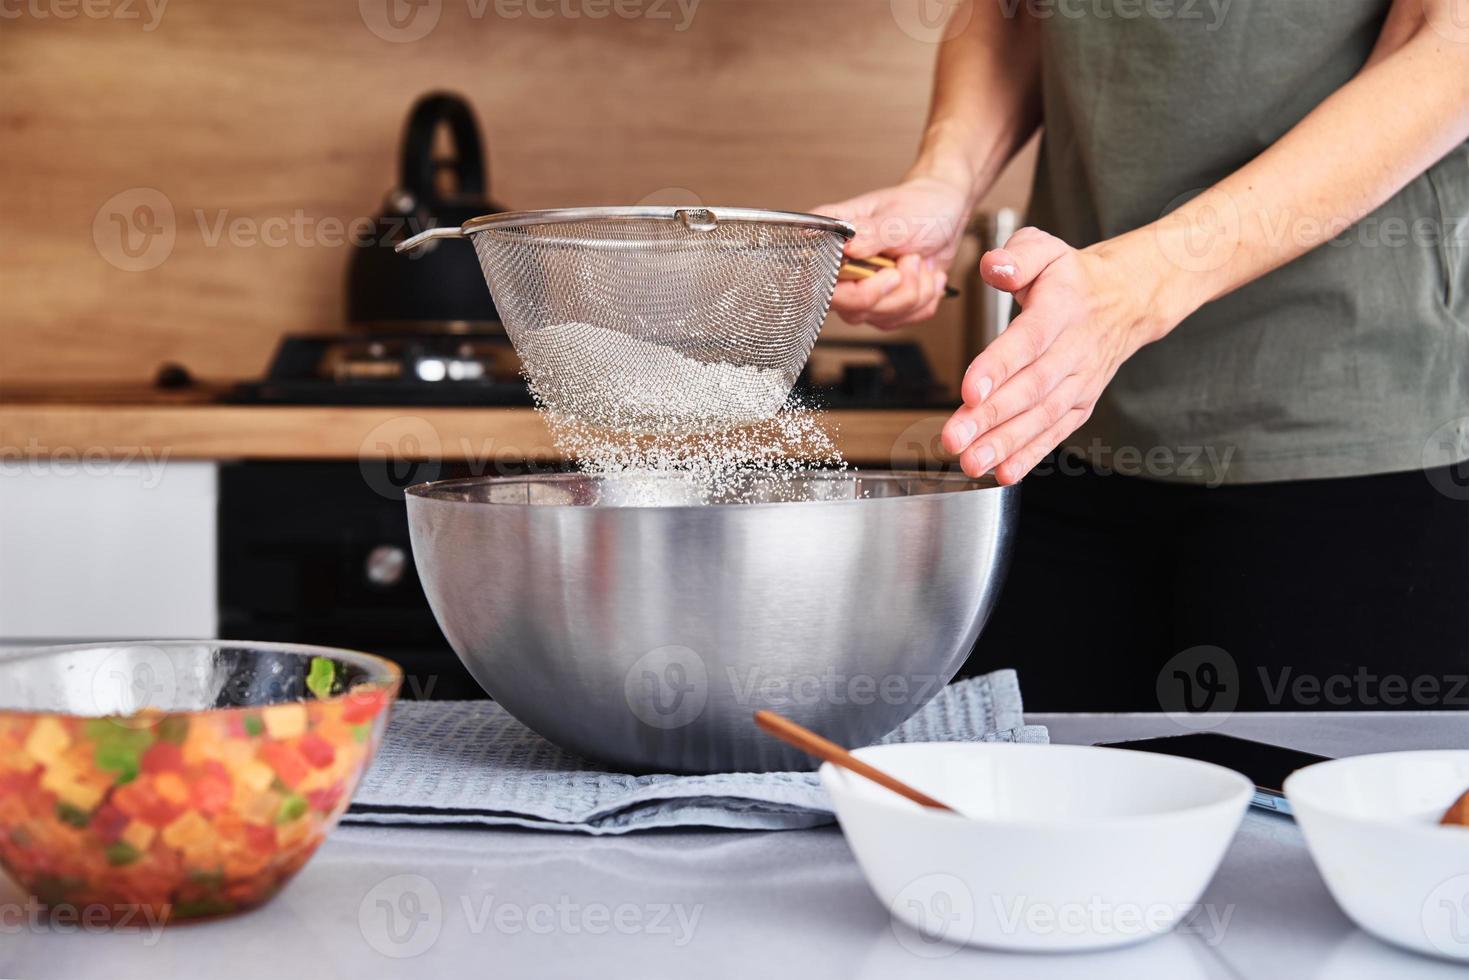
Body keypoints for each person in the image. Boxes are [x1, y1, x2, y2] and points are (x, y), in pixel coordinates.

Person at [818, 0, 1469, 711]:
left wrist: (1140, 285)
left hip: (1354, 433)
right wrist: (943, 179)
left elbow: (1448, 48)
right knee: (1034, 795)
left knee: (1302, 815)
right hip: (1069, 420)